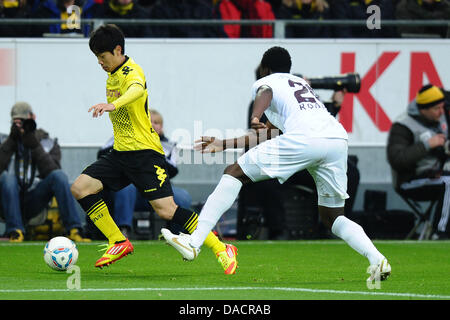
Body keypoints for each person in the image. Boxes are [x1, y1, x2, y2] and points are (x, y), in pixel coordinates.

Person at [162, 46, 391, 282]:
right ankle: (377, 258)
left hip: (305, 139)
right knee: (333, 217)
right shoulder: (302, 86)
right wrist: (224, 143)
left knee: (234, 173)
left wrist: (254, 116)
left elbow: (265, 91)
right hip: (336, 141)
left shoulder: (269, 81)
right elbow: (268, 134)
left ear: (265, 68)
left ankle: (194, 242)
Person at [70, 24, 238, 274]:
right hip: (120, 153)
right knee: (80, 188)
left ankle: (221, 248)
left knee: (167, 209)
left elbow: (137, 90)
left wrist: (112, 105)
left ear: (117, 50)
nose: (100, 63)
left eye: (102, 57)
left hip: (145, 154)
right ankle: (118, 241)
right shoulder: (112, 75)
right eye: (97, 58)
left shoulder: (132, 71)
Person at [0, 102, 90, 242]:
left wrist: (35, 145)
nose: (21, 126)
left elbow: (53, 172)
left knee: (59, 176)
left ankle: (74, 229)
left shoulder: (47, 142)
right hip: (7, 198)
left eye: (24, 121)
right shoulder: (5, 141)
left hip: (35, 198)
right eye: (17, 122)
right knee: (7, 178)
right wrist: (12, 141)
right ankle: (15, 232)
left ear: (33, 117)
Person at [99, 109, 192, 237]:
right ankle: (122, 231)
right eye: (149, 121)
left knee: (183, 197)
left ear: (161, 127)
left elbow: (172, 170)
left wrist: (151, 153)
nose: (153, 125)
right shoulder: (122, 136)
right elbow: (102, 154)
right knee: (126, 187)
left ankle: (178, 236)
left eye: (156, 122)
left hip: (158, 191)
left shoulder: (169, 145)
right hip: (132, 193)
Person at [387, 84, 450, 240]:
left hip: (437, 175)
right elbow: (397, 160)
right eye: (437, 109)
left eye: (442, 108)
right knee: (449, 181)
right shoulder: (403, 126)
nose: (441, 112)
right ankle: (441, 233)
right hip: (409, 180)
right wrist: (427, 145)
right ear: (423, 110)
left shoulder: (440, 116)